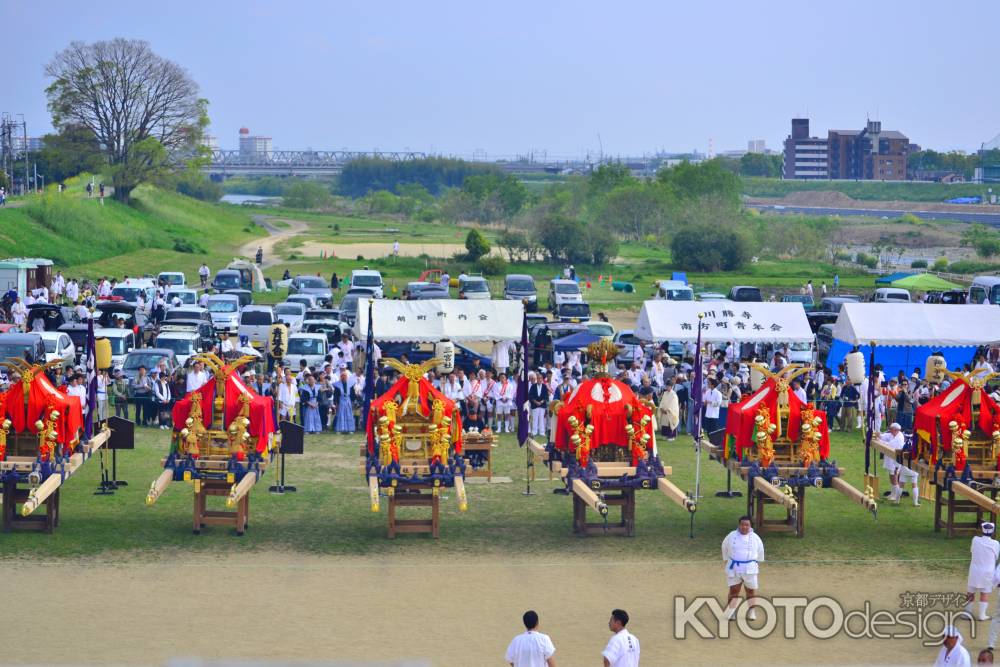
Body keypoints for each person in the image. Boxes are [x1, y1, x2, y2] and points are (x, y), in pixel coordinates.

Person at [722, 515, 765, 620]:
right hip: (734, 568)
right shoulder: (731, 535)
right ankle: (732, 612)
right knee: (733, 590)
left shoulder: (755, 538)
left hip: (750, 569)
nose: (744, 527)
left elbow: (760, 552)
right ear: (739, 525)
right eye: (742, 524)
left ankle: (751, 611)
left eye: (746, 525)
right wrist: (727, 560)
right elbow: (724, 547)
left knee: (750, 591)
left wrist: (754, 562)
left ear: (750, 526)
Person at [879, 422, 919, 506]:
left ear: (896, 430)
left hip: (897, 460)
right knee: (892, 476)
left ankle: (896, 497)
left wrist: (880, 441)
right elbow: (885, 436)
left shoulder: (899, 437)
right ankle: (893, 494)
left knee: (895, 477)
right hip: (893, 459)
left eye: (891, 429)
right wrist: (879, 436)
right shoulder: (892, 434)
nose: (890, 431)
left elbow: (890, 445)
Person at [968, 522, 1000, 621]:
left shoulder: (975, 540)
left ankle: (966, 613)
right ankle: (982, 615)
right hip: (987, 571)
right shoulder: (996, 543)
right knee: (984, 593)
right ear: (993, 531)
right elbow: (996, 557)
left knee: (970, 592)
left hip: (974, 570)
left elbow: (972, 551)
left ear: (982, 530)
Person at [332, 368, 356, 433]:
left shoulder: (350, 384)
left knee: (349, 414)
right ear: (341, 377)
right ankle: (340, 429)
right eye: (342, 376)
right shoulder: (337, 385)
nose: (344, 377)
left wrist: (353, 401)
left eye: (345, 376)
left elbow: (353, 394)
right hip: (341, 400)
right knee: (340, 414)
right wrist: (336, 403)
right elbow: (335, 395)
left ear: (347, 377)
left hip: (348, 400)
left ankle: (349, 429)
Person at [528, 372, 549, 439]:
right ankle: (534, 431)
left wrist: (542, 401)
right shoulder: (533, 386)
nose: (539, 379)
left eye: (541, 378)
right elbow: (530, 395)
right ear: (536, 379)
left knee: (541, 418)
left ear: (542, 379)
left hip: (542, 405)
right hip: (535, 404)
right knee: (535, 418)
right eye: (538, 378)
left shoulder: (544, 386)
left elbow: (546, 396)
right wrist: (536, 402)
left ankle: (542, 432)